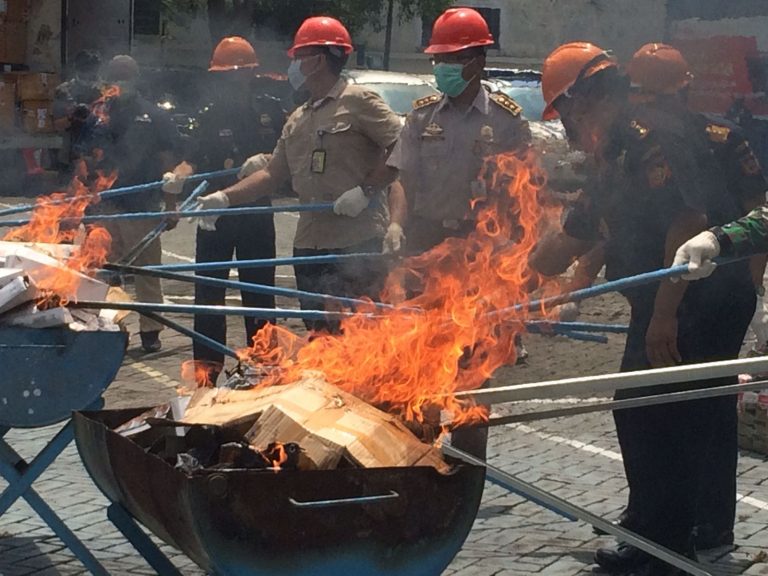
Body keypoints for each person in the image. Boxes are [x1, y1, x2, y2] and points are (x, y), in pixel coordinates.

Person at [531, 42, 755, 576]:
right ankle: (651, 529)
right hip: (665, 302)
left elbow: (687, 220)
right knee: (641, 412)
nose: (566, 126)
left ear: (584, 99)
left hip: (699, 301)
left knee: (666, 417)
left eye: (564, 111)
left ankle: (668, 548)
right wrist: (512, 280)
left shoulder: (650, 136)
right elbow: (581, 232)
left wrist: (663, 315)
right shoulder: (613, 147)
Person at [624, 42, 768, 551]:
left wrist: (753, 288)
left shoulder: (722, 138)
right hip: (678, 286)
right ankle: (654, 515)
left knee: (705, 407)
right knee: (659, 407)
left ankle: (707, 522)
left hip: (716, 293)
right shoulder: (642, 143)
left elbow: (757, 211)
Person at [195, 16, 404, 335]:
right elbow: (271, 174)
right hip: (309, 245)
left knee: (360, 335)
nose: (293, 65)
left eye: (298, 57)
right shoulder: (298, 118)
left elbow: (402, 145)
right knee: (320, 336)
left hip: (355, 242)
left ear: (318, 60)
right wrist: (224, 198)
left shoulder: (358, 101)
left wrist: (366, 190)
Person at [385, 7, 531, 459]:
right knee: (419, 354)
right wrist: (396, 223)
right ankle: (419, 455)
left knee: (474, 362)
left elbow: (521, 191)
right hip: (426, 245)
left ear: (477, 61)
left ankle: (469, 462)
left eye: (451, 59)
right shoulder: (421, 116)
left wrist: (509, 249)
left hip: (479, 252)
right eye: (438, 59)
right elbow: (402, 179)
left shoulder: (506, 121)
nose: (441, 68)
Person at [163, 37, 285, 383]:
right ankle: (206, 376)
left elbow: (291, 153)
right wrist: (176, 177)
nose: (230, 81)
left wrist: (267, 160)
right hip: (214, 216)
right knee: (208, 297)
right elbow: (192, 158)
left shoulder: (271, 110)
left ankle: (264, 373)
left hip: (255, 214)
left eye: (236, 74)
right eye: (223, 76)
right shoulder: (208, 115)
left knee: (260, 295)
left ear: (249, 74)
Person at [89, 55, 180, 353]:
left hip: (142, 205)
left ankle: (151, 331)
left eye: (124, 76)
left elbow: (169, 163)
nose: (119, 82)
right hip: (107, 207)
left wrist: (171, 204)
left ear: (135, 78)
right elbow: (89, 160)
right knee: (103, 271)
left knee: (147, 273)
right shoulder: (101, 115)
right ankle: (108, 328)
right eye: (115, 76)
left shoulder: (153, 115)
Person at [52, 50, 103, 179]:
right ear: (77, 69)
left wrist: (95, 114)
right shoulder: (64, 91)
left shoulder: (105, 91)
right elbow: (56, 125)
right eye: (84, 70)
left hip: (96, 156)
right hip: (69, 155)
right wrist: (73, 117)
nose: (88, 75)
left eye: (91, 71)